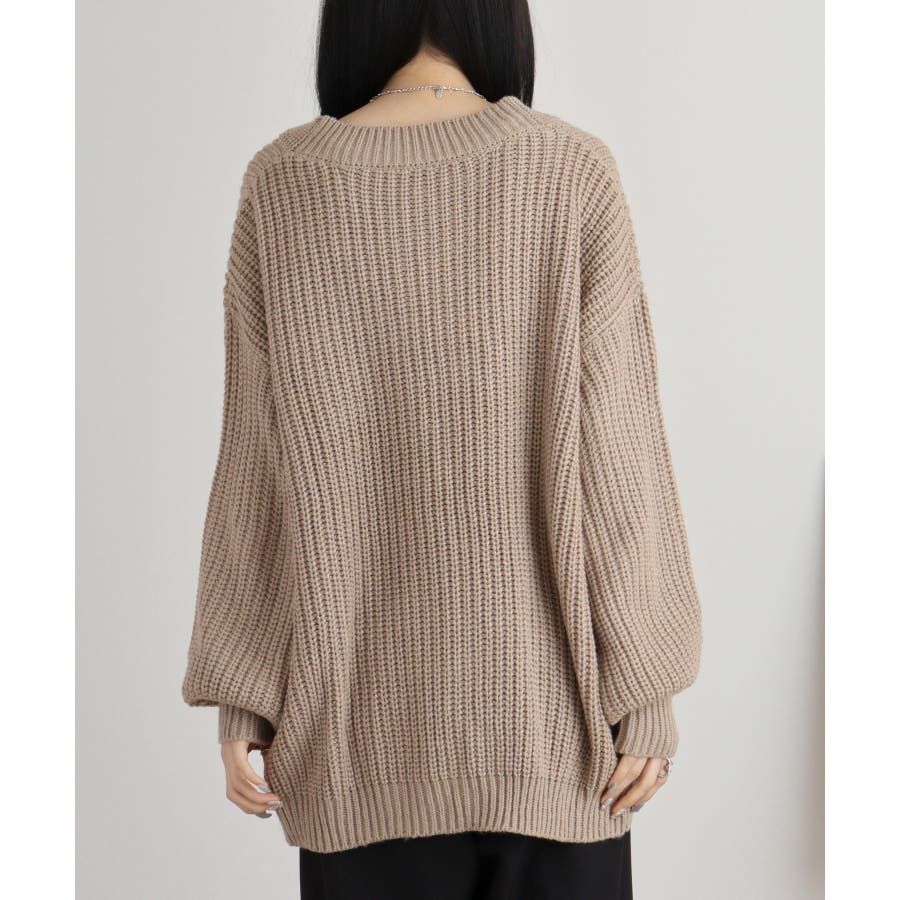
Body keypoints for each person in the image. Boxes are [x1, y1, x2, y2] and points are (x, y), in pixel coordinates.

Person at [180, 1, 703, 897]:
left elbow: (257, 467)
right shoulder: (570, 169)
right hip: (554, 741)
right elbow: (618, 456)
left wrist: (247, 691)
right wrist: (643, 689)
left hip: (357, 750)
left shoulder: (285, 182)